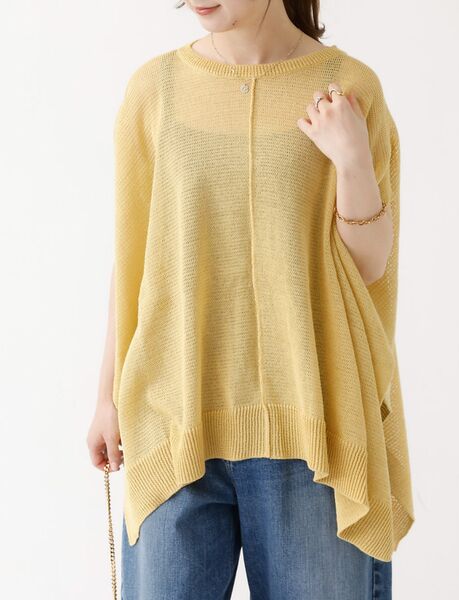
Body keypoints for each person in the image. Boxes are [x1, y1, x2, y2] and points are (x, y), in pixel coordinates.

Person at [87, 1, 415, 598]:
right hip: (174, 418)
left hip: (316, 428)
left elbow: (370, 267)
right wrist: (106, 396)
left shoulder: (347, 87)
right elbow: (136, 255)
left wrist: (352, 161)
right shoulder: (155, 91)